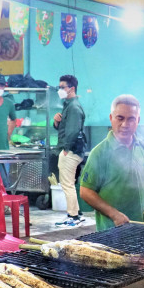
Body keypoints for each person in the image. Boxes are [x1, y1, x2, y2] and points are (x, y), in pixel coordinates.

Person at [79, 94, 144, 231]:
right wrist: (114, 214)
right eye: (120, 118)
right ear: (111, 118)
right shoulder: (100, 153)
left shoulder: (143, 147)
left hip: (142, 226)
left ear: (138, 120)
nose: (125, 125)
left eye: (131, 119)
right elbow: (86, 191)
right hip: (112, 231)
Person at [53, 75, 86, 228]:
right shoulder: (68, 105)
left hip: (70, 151)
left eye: (62, 87)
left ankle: (73, 216)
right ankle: (76, 213)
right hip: (71, 150)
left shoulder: (73, 107)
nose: (60, 90)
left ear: (71, 88)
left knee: (67, 185)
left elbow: (73, 131)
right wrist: (56, 122)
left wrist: (66, 149)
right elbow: (65, 128)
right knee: (69, 184)